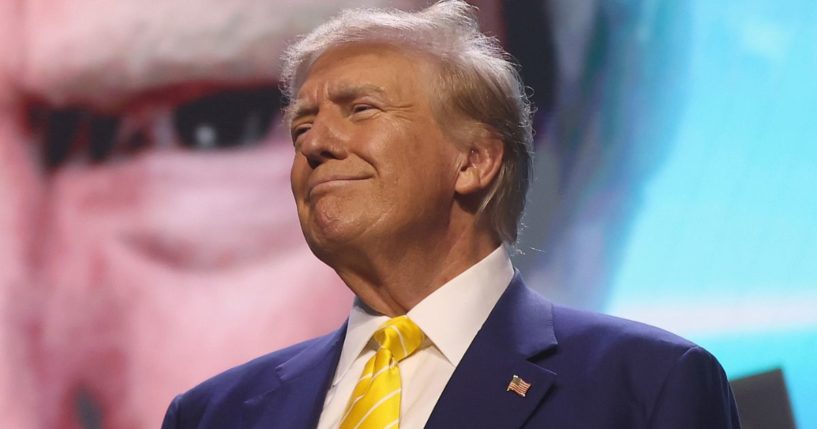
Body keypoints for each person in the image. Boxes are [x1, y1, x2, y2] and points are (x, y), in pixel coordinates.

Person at [161, 1, 741, 428]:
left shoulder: (643, 386)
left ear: (475, 161)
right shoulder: (215, 414)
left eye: (361, 109)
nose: (314, 145)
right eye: (301, 127)